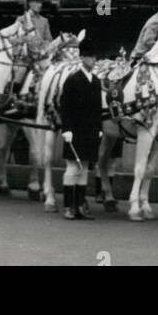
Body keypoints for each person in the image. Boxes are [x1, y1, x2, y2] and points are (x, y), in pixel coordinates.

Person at [59, 34, 104, 220]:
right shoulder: (72, 79)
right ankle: (69, 206)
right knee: (72, 168)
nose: (92, 60)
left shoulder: (96, 81)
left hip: (91, 131)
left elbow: (98, 108)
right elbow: (65, 107)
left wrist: (99, 127)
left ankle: (80, 205)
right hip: (75, 131)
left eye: (94, 57)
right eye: (89, 56)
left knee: (84, 168)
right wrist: (66, 129)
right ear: (82, 57)